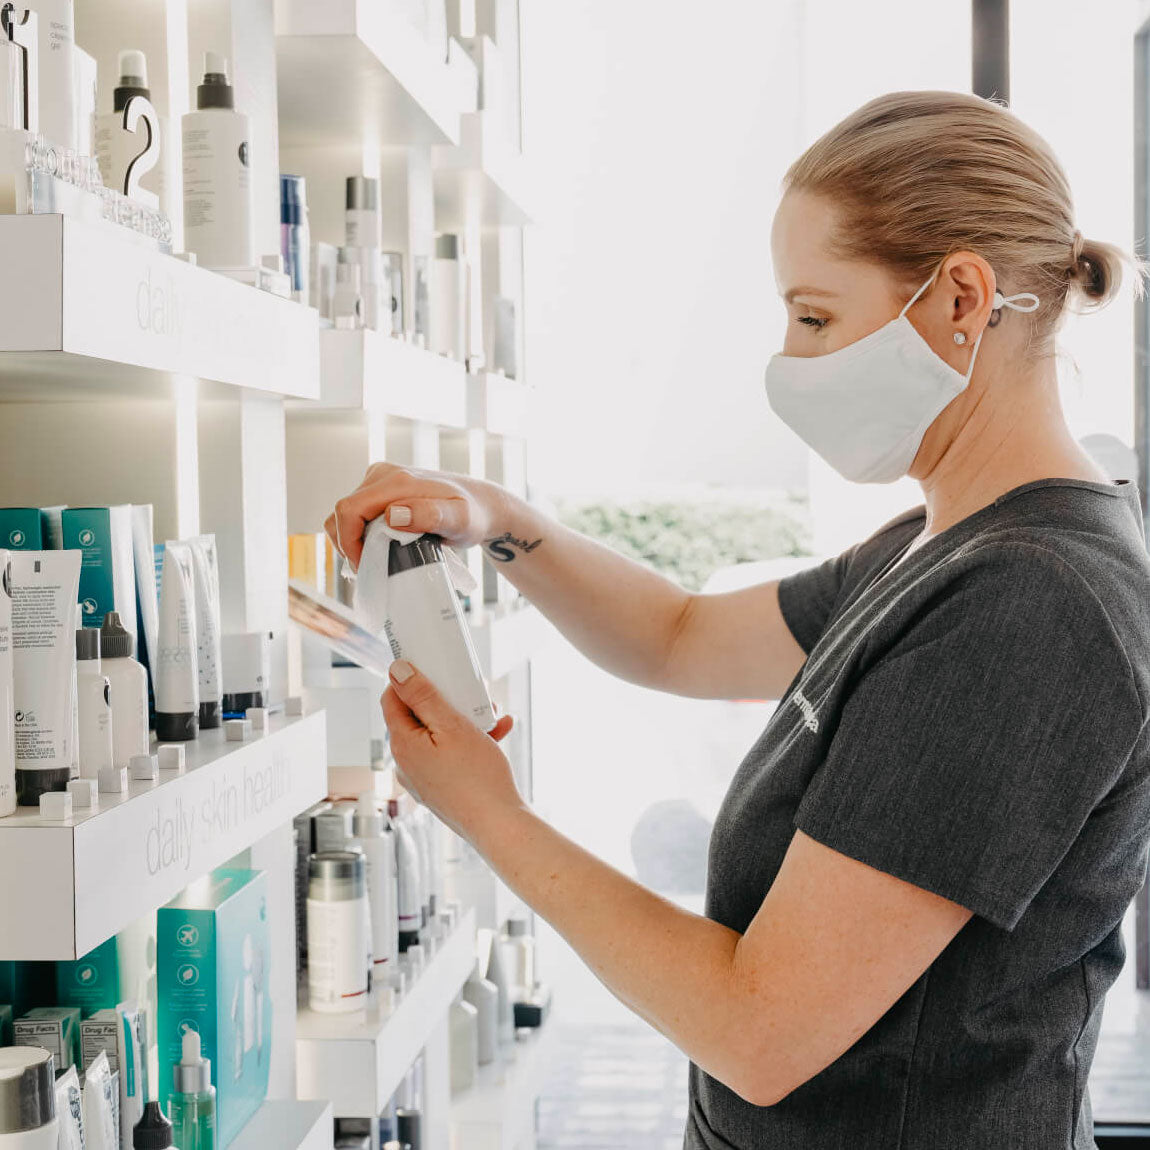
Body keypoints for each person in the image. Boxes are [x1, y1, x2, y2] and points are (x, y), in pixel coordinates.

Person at [327, 91, 1150, 1148]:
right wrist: (495, 520)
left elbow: (759, 1028)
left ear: (959, 298)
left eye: (814, 316)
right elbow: (676, 635)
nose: (790, 359)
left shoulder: (1029, 605)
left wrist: (492, 816)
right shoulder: (937, 544)